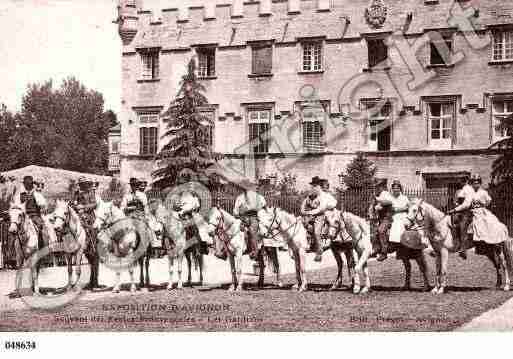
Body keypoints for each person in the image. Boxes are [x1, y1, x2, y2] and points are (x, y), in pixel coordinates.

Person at [449, 174, 509, 248]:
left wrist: (483, 206)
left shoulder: (483, 192)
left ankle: (494, 240)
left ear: (480, 183)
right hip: (472, 211)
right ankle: (462, 245)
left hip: (483, 211)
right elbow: (464, 203)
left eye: (478, 182)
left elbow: (488, 201)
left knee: (492, 222)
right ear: (472, 183)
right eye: (474, 182)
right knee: (466, 224)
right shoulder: (469, 192)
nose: (476, 184)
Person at [301, 176, 337, 262]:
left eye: (314, 186)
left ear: (318, 186)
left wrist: (310, 212)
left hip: (320, 215)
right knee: (301, 226)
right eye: (312, 186)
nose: (313, 187)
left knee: (317, 232)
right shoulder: (310, 197)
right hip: (310, 215)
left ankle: (319, 251)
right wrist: (305, 212)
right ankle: (307, 245)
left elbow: (321, 209)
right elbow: (303, 207)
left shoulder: (323, 196)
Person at [233, 178, 267, 260]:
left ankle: (254, 251)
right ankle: (229, 249)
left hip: (254, 217)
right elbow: (235, 210)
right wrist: (237, 215)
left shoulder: (259, 197)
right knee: (234, 229)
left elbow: (264, 208)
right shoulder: (240, 197)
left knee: (253, 231)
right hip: (242, 217)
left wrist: (261, 215)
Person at [13, 176, 48, 248]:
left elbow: (42, 204)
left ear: (31, 185)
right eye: (26, 184)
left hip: (34, 215)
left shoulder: (36, 194)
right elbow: (16, 205)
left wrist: (42, 207)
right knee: (13, 227)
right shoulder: (20, 195)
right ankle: (12, 250)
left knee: (40, 227)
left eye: (28, 184)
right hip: (22, 215)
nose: (27, 185)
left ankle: (41, 247)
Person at [369, 179, 393, 261]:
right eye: (376, 186)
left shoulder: (386, 194)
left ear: (382, 186)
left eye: (378, 186)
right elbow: (375, 207)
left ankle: (384, 252)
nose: (377, 188)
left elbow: (389, 201)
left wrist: (377, 200)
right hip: (381, 218)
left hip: (387, 218)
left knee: (381, 230)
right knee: (374, 231)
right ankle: (376, 249)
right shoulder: (379, 195)